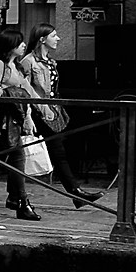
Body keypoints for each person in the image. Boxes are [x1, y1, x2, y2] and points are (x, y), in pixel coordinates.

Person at [16, 25, 101, 206]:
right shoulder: (28, 61)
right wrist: (32, 113)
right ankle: (75, 193)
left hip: (53, 110)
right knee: (54, 151)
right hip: (39, 111)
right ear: (42, 39)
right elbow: (24, 89)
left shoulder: (50, 61)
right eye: (54, 35)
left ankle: (75, 194)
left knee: (55, 151)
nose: (58, 39)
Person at [0, 29, 45, 222]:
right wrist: (11, 93)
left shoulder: (19, 67)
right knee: (13, 158)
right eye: (19, 42)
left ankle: (14, 199)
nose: (23, 45)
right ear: (9, 45)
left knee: (2, 160)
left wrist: (35, 113)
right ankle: (21, 202)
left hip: (17, 119)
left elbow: (28, 93)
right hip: (3, 121)